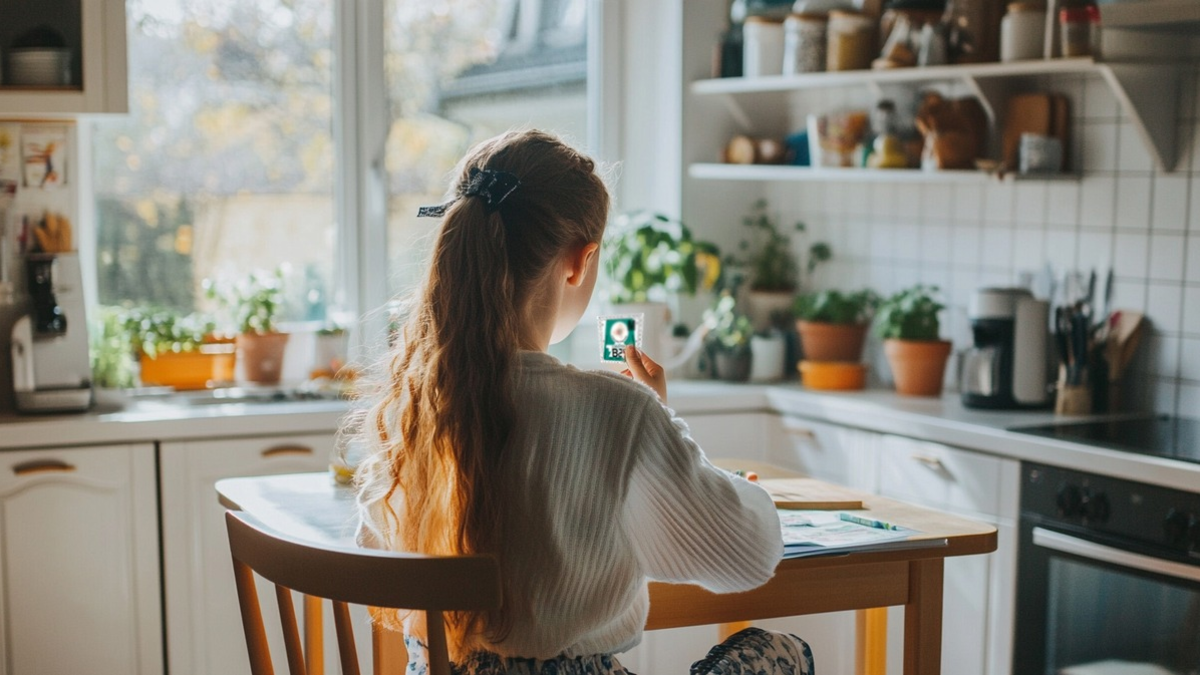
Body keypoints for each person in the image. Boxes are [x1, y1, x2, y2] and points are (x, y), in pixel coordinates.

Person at [351, 129, 814, 675]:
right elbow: (748, 557)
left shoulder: (413, 403)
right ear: (579, 261)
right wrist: (665, 429)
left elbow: (374, 546)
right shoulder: (617, 411)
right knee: (782, 652)